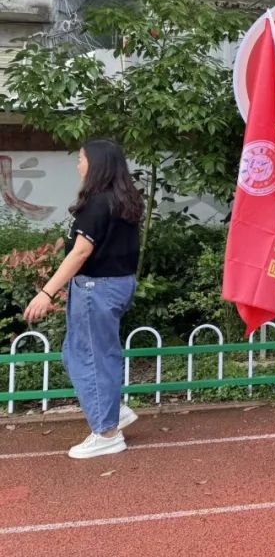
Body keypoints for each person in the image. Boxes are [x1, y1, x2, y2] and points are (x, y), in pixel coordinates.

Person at [23, 140, 144, 459]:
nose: (78, 165)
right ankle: (112, 411)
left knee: (89, 356)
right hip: (119, 285)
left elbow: (80, 252)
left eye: (81, 159)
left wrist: (46, 292)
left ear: (97, 165)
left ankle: (106, 432)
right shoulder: (126, 200)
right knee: (89, 353)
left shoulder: (97, 202)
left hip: (97, 288)